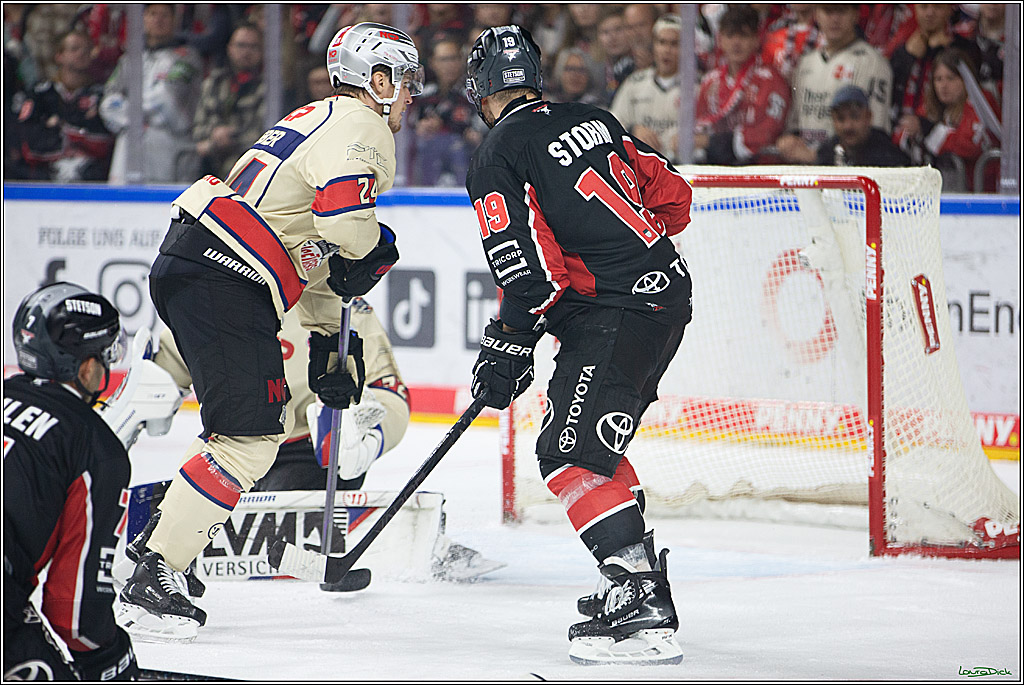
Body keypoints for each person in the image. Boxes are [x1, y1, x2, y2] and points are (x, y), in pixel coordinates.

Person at [113, 22, 422, 642]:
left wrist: (335, 345)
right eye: (405, 80)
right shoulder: (362, 126)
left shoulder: (316, 118)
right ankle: (156, 574)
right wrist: (373, 247)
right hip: (226, 276)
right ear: (378, 81)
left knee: (245, 434)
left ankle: (164, 539)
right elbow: (345, 224)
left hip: (200, 261)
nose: (411, 96)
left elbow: (308, 258)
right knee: (250, 440)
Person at [464, 25, 692, 665]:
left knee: (568, 457)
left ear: (481, 90)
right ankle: (633, 572)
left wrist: (507, 343)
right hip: (665, 296)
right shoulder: (594, 117)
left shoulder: (496, 154)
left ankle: (638, 592)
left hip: (617, 311)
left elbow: (531, 276)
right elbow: (675, 200)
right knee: (594, 444)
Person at [4, 282, 138, 681]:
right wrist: (109, 655)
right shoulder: (94, 445)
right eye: (103, 355)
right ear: (83, 365)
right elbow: (74, 614)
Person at [776, 4, 892, 165]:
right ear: (816, 14)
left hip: (849, 170)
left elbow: (876, 132)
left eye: (842, 11)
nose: (835, 19)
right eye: (828, 11)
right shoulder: (806, 63)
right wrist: (789, 141)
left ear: (855, 15)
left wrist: (821, 155)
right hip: (806, 169)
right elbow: (795, 123)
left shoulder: (873, 63)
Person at [99, 3, 202, 185]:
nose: (158, 20)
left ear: (174, 20)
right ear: (143, 19)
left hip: (171, 145)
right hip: (130, 146)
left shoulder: (187, 57)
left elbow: (165, 100)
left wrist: (129, 111)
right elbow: (108, 103)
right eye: (153, 14)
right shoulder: (129, 59)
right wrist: (136, 119)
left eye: (164, 15)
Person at [13, 29, 114, 181]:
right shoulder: (39, 94)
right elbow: (28, 142)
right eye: (74, 49)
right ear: (59, 56)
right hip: (42, 179)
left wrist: (59, 128)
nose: (81, 54)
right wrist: (77, 134)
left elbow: (104, 142)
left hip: (89, 177)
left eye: (87, 50)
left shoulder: (102, 95)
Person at [694, 6, 790, 166]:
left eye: (743, 35)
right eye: (730, 35)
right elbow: (699, 130)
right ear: (720, 39)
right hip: (716, 169)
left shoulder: (771, 80)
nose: (736, 43)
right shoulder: (710, 81)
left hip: (759, 170)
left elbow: (766, 134)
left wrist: (713, 143)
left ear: (757, 39)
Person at [894, 48, 1000, 192]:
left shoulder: (981, 102)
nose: (943, 86)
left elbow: (968, 146)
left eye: (951, 78)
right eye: (938, 79)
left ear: (966, 79)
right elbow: (901, 134)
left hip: (986, 193)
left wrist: (932, 133)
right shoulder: (932, 105)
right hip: (948, 190)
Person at [890, 4, 981, 138]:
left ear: (950, 9)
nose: (929, 13)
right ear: (915, 8)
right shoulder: (904, 49)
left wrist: (941, 51)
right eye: (924, 6)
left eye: (937, 7)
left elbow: (966, 99)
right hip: (901, 133)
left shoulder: (965, 49)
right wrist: (906, 55)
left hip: (945, 135)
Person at [192, 22, 267, 180]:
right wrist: (214, 138)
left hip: (251, 165)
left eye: (253, 46)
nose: (246, 52)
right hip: (209, 162)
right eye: (241, 45)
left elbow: (265, 133)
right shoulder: (213, 82)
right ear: (229, 48)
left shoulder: (269, 88)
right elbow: (198, 128)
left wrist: (230, 138)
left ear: (262, 50)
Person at [610, 14, 682, 163]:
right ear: (653, 45)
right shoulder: (634, 83)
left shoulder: (697, 87)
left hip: (683, 167)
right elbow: (611, 125)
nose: (667, 50)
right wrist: (632, 130)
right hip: (639, 167)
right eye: (662, 42)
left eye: (674, 44)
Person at [410, 36, 480, 186]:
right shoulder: (424, 95)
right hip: (428, 167)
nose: (449, 65)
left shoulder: (473, 95)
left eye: (453, 59)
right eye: (443, 60)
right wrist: (423, 129)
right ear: (433, 62)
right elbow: (411, 128)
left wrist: (464, 132)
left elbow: (480, 134)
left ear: (462, 60)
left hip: (467, 163)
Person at [816, 85, 911, 167]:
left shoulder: (888, 155)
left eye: (855, 117)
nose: (848, 126)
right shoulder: (826, 153)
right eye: (841, 119)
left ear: (868, 117)